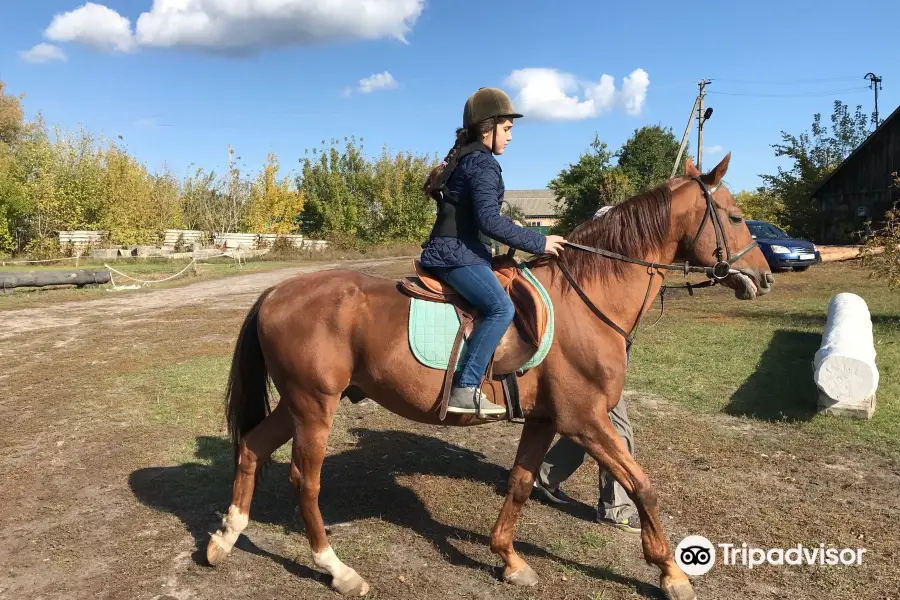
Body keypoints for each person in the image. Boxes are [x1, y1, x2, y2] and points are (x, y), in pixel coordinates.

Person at [420, 87, 567, 415]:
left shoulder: (466, 158)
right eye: (508, 128)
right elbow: (489, 221)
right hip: (456, 254)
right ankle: (467, 386)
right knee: (501, 308)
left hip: (458, 251)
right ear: (488, 128)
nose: (511, 137)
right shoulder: (481, 164)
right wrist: (539, 242)